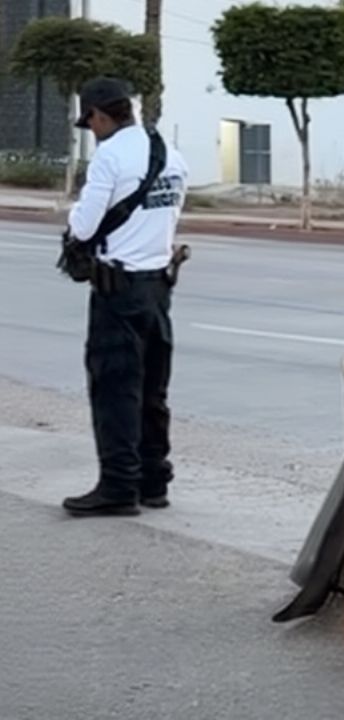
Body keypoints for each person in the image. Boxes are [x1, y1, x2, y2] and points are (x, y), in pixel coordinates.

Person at [61, 77, 189, 518]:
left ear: (98, 115)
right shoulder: (168, 152)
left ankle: (118, 486)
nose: (92, 131)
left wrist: (74, 216)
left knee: (115, 388)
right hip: (158, 286)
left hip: (118, 289)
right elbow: (170, 214)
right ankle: (154, 481)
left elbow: (83, 226)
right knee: (153, 387)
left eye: (91, 122)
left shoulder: (110, 156)